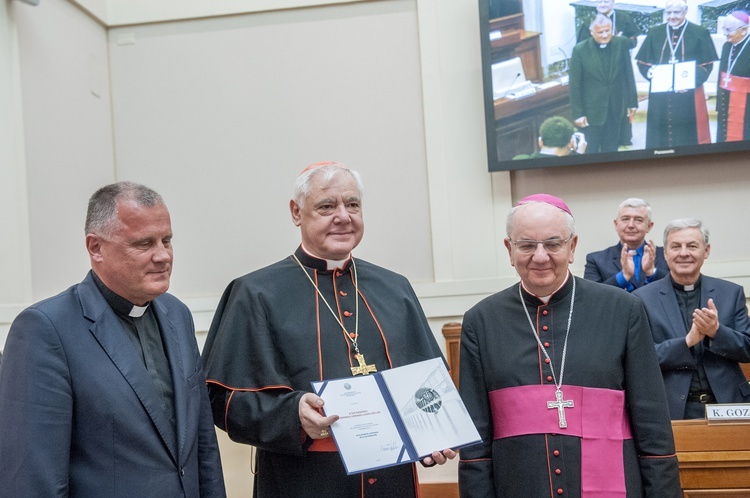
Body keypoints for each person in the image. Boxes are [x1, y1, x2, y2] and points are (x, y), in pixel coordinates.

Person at [200, 162, 454, 497]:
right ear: (296, 212)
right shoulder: (255, 293)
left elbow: (428, 382)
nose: (343, 216)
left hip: (392, 480)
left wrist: (432, 433)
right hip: (303, 481)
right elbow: (222, 401)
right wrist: (292, 414)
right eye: (326, 206)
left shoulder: (395, 287)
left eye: (352, 205)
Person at [0, 182, 225, 497]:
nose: (162, 256)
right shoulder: (46, 329)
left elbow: (203, 444)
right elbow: (33, 477)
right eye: (144, 243)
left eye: (167, 240)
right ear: (95, 247)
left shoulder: (178, 315)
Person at [458, 193, 681, 497]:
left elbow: (653, 427)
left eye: (553, 244)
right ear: (509, 250)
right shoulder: (481, 321)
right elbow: (476, 442)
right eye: (526, 245)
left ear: (572, 246)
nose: (540, 256)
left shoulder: (623, 311)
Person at [634, 219, 750, 419]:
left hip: (729, 405)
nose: (684, 253)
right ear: (666, 253)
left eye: (692, 246)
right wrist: (686, 342)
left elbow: (748, 349)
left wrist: (716, 332)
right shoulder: (642, 299)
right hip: (672, 409)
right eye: (676, 246)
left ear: (706, 251)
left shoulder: (731, 293)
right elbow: (639, 358)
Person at [635, 0, 718, 149]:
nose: (672, 16)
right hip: (660, 96)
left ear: (685, 11)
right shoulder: (655, 33)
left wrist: (688, 83)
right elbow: (642, 62)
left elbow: (706, 65)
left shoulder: (700, 33)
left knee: (686, 136)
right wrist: (650, 72)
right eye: (668, 12)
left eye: (677, 12)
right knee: (658, 137)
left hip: (686, 96)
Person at [570, 15, 639, 153]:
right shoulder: (580, 50)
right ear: (591, 32)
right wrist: (578, 113)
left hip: (615, 108)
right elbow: (575, 84)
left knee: (612, 150)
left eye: (608, 30)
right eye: (600, 32)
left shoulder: (621, 43)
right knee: (590, 151)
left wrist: (632, 101)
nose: (605, 35)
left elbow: (628, 74)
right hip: (591, 112)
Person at [584, 197, 669, 291]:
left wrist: (652, 272)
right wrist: (623, 277)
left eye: (638, 220)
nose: (631, 225)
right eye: (625, 219)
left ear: (649, 226)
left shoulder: (667, 255)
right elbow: (592, 295)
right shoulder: (596, 260)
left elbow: (678, 287)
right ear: (616, 224)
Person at [716, 11, 750, 142]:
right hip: (726, 100)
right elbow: (722, 74)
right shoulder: (726, 46)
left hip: (746, 105)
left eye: (729, 30)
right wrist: (719, 103)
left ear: (743, 30)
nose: (725, 33)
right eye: (724, 29)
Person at [512, 116, 586, 159]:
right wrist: (579, 156)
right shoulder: (571, 170)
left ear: (540, 142)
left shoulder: (519, 160)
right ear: (571, 143)